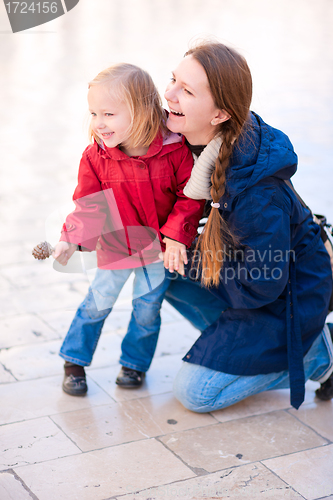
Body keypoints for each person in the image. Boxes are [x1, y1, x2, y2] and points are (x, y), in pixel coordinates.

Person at [160, 41, 333, 412]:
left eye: (186, 91)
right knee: (163, 268)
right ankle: (238, 347)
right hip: (247, 280)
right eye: (172, 80)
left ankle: (319, 354)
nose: (169, 93)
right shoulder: (198, 144)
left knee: (196, 393)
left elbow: (264, 283)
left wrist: (192, 261)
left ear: (220, 113)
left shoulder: (257, 195)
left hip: (287, 300)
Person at [53, 63, 204, 396]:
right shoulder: (96, 157)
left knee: (147, 310)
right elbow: (89, 203)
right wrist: (71, 238)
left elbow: (189, 198)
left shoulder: (175, 151)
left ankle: (134, 363)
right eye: (94, 113)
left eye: (108, 113)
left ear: (139, 112)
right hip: (116, 246)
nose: (99, 123)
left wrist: (177, 235)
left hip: (158, 251)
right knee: (98, 303)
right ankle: (74, 360)